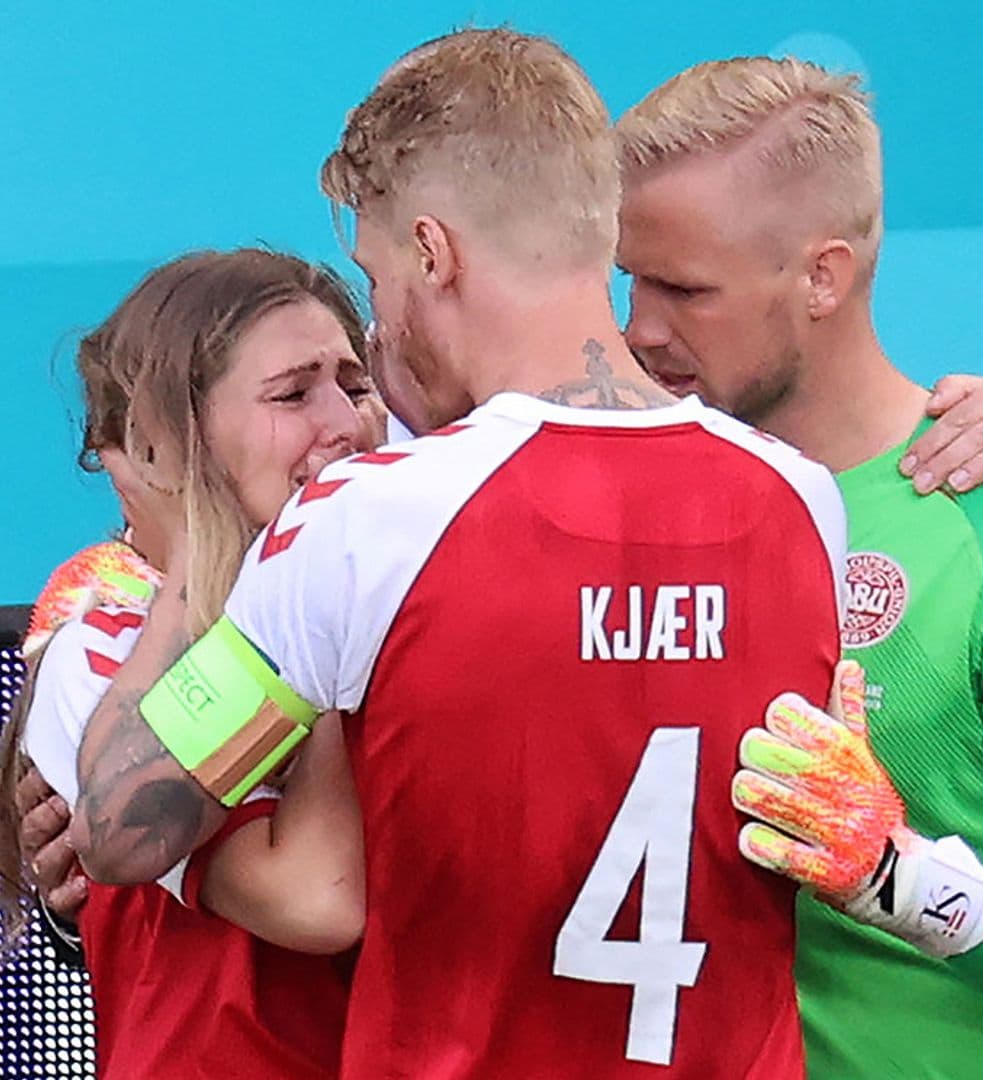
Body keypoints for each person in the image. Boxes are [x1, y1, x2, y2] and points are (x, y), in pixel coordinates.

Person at [67, 30, 848, 1078]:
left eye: (377, 273)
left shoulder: (368, 519)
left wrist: (175, 531)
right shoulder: (801, 499)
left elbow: (126, 828)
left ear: (432, 253)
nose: (381, 317)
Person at [615, 56, 983, 1078]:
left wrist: (894, 879)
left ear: (823, 276)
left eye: (686, 289)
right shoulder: (624, 503)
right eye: (630, 278)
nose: (641, 329)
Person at [0, 248, 381, 1078]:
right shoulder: (99, 656)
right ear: (164, 444)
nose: (346, 423)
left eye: (356, 384)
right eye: (293, 394)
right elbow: (316, 899)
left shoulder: (413, 614)